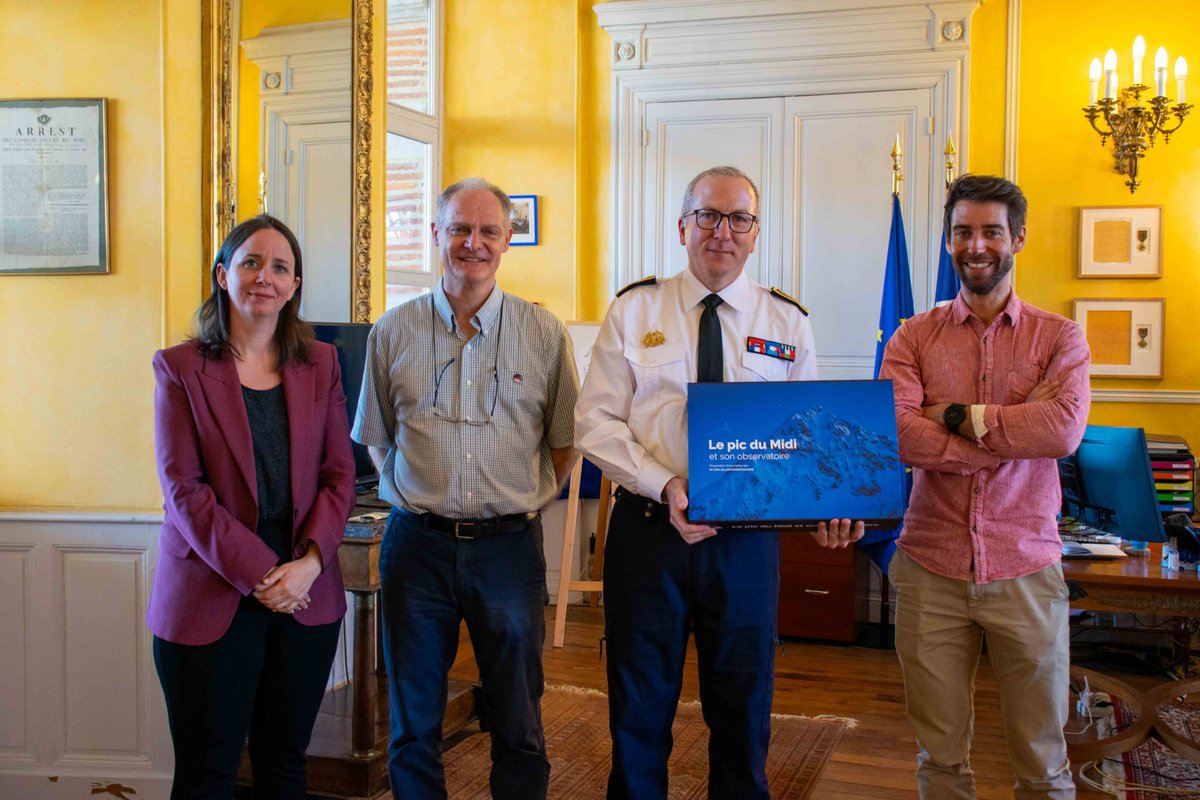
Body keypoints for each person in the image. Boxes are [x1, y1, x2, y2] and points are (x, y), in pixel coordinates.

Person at [575, 165, 865, 799]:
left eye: (739, 219)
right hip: (649, 535)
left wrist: (831, 504)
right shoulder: (634, 309)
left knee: (741, 707)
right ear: (684, 226)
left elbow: (808, 438)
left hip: (746, 543)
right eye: (708, 216)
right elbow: (594, 423)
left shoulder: (787, 323)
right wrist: (665, 484)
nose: (722, 232)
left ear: (755, 234)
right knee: (639, 704)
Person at [351, 177, 578, 800]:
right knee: (412, 724)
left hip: (508, 550)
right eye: (458, 229)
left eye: (486, 231)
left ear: (507, 241)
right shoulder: (392, 332)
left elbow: (563, 441)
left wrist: (521, 497)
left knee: (518, 721)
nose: (471, 243)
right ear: (436, 235)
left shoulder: (543, 333)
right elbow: (377, 436)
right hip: (415, 549)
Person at [879, 174, 1091, 799]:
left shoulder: (1060, 338)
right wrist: (1006, 436)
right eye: (963, 232)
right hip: (929, 570)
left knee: (1043, 764)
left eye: (991, 231)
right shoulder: (912, 337)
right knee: (939, 761)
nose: (977, 245)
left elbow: (1061, 431)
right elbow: (894, 432)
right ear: (948, 243)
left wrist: (957, 417)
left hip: (1026, 568)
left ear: (1017, 238)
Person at [148, 214, 357, 799]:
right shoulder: (180, 367)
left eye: (281, 267)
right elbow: (183, 489)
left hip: (306, 589)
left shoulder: (321, 364)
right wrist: (264, 575)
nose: (266, 276)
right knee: (207, 775)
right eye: (251, 262)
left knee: (285, 767)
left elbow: (340, 474)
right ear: (223, 274)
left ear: (294, 287)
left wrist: (309, 564)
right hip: (213, 587)